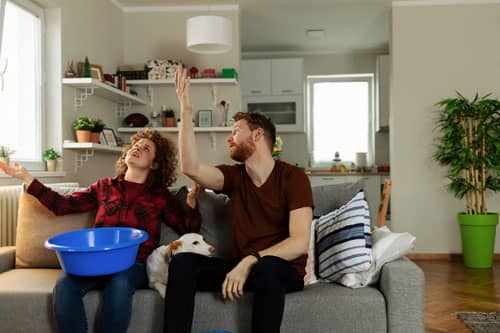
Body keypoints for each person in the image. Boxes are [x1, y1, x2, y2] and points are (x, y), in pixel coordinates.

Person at [0, 128, 202, 333]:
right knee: (64, 286)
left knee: (120, 283)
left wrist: (192, 202)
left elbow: (189, 228)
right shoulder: (104, 187)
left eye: (146, 148)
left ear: (155, 164)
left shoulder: (160, 196)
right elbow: (62, 205)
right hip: (95, 262)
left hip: (134, 265)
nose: (137, 148)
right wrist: (27, 179)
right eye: (135, 145)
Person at [163, 65, 313, 333]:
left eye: (235, 131)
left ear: (257, 135)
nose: (229, 138)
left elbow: (300, 243)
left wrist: (250, 260)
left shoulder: (293, 177)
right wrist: (186, 110)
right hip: (243, 267)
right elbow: (191, 168)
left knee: (267, 267)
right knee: (184, 263)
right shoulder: (234, 177)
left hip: (280, 270)